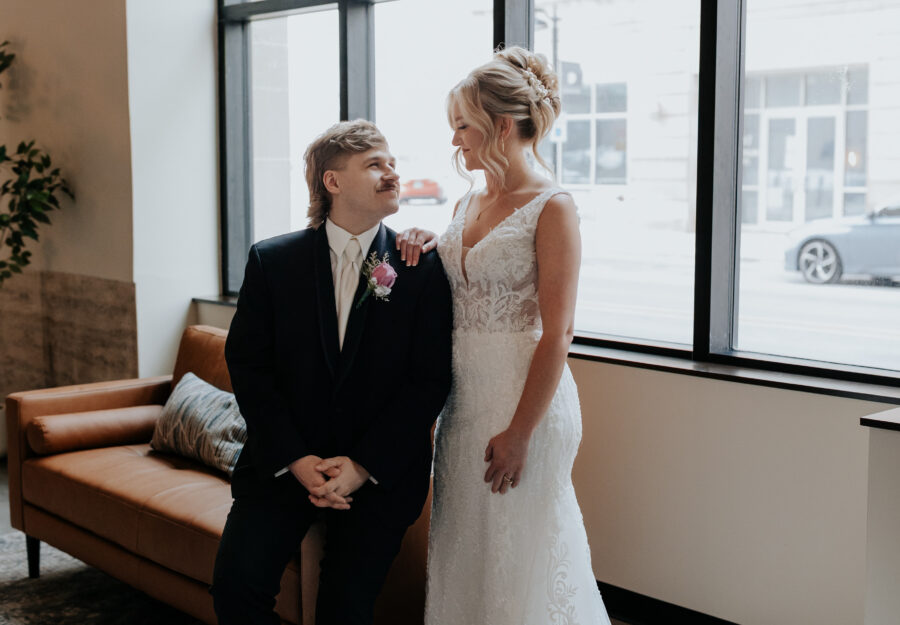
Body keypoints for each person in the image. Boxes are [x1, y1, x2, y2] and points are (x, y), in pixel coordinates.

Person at [399, 47, 612, 624]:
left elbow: (559, 332)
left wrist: (520, 432)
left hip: (525, 403)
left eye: (462, 126)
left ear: (499, 126)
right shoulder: (468, 199)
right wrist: (425, 239)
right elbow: (461, 278)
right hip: (464, 404)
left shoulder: (552, 206)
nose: (454, 141)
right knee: (466, 551)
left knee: (521, 558)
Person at [210, 119, 453, 625]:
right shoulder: (272, 261)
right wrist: (297, 459)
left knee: (346, 611)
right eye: (375, 165)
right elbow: (249, 367)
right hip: (283, 467)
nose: (393, 174)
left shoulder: (421, 268)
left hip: (378, 475)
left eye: (393, 163)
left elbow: (429, 381)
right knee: (236, 591)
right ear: (333, 181)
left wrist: (361, 467)